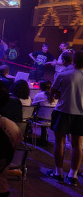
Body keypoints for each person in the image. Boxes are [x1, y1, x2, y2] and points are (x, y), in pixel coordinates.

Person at [46, 50, 83, 186]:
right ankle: (73, 176)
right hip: (81, 114)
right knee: (77, 144)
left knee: (59, 142)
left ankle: (58, 173)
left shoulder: (64, 75)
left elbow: (52, 95)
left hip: (63, 111)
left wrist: (59, 95)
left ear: (73, 61)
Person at [32, 80, 56, 146]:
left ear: (40, 87)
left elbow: (32, 106)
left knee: (32, 115)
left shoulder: (38, 95)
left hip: (40, 119)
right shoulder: (55, 96)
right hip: (53, 120)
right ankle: (44, 135)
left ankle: (28, 135)